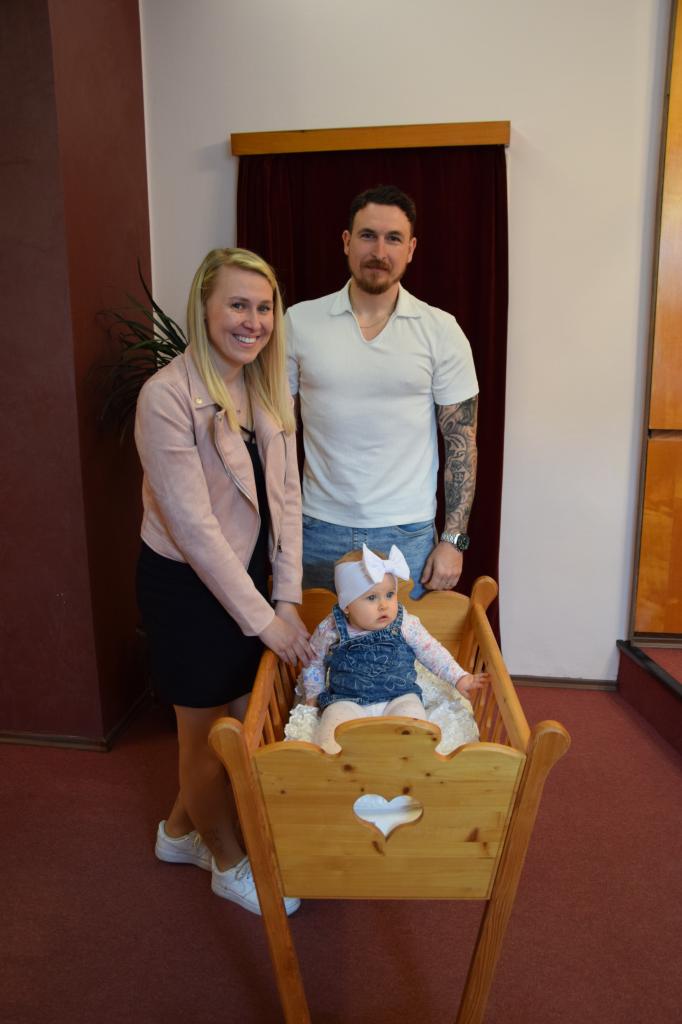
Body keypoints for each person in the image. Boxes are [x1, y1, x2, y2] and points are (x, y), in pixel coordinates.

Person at [135, 247, 314, 916]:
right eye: (238, 304)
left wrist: (286, 597)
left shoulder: (265, 386)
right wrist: (265, 620)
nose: (253, 321)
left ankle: (178, 834)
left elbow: (287, 500)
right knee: (209, 739)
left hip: (248, 578)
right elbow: (194, 529)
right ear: (204, 309)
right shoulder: (165, 396)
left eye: (264, 307)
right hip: (187, 588)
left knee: (240, 724)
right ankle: (229, 865)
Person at [286, 184, 479, 598]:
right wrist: (280, 529)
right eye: (367, 235)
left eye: (393, 238)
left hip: (407, 533)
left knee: (407, 644)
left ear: (410, 249)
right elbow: (276, 432)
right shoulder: (299, 323)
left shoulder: (441, 331)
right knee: (316, 642)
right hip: (318, 528)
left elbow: (461, 442)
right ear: (346, 242)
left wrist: (453, 540)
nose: (379, 251)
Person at [300, 545, 488, 754]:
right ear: (346, 605)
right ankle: (337, 766)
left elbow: (433, 652)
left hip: (398, 696)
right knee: (331, 733)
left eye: (390, 594)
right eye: (372, 598)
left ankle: (410, 763)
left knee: (415, 726)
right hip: (347, 700)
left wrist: (459, 677)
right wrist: (313, 693)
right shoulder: (331, 628)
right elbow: (313, 661)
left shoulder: (405, 623)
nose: (384, 605)